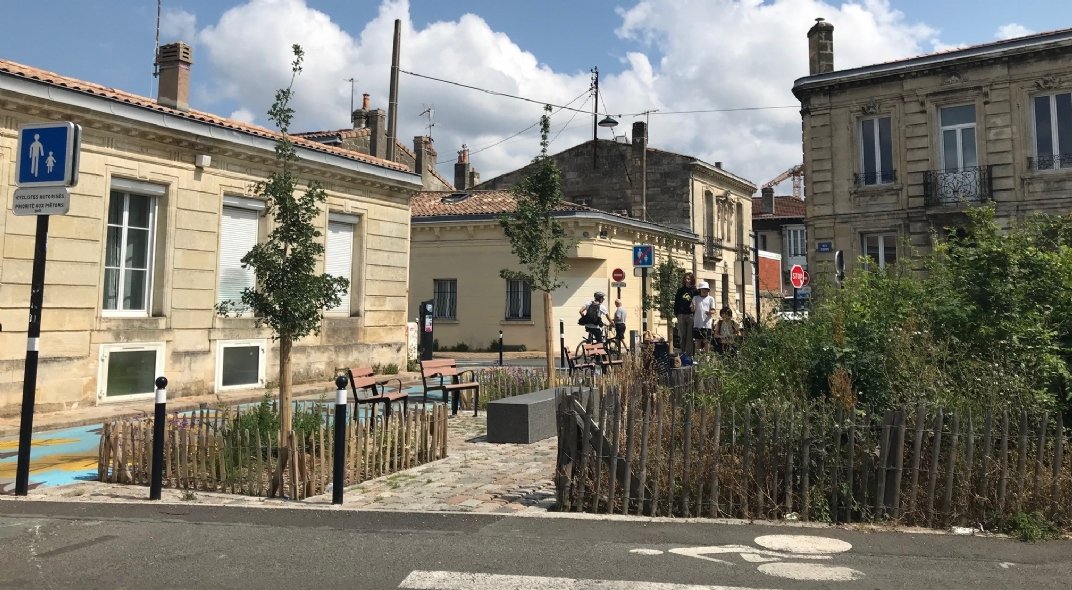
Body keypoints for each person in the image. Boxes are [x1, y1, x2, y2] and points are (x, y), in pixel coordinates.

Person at [690, 281, 716, 353]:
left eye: (706, 289)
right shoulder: (695, 298)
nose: (704, 290)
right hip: (698, 323)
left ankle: (707, 356)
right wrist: (693, 306)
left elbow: (713, 310)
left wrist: (710, 312)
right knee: (698, 341)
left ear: (708, 290)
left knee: (707, 341)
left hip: (707, 324)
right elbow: (692, 310)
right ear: (700, 290)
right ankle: (698, 357)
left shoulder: (711, 299)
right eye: (702, 289)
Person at [674, 272, 697, 355]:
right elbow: (676, 302)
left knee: (689, 336)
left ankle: (689, 355)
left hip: (690, 315)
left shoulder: (695, 291)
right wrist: (676, 313)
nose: (687, 280)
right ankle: (682, 353)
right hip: (681, 315)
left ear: (692, 280)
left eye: (689, 279)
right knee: (682, 335)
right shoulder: (680, 291)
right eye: (686, 279)